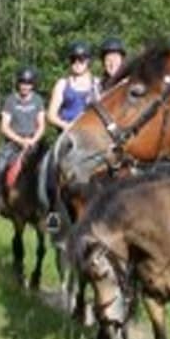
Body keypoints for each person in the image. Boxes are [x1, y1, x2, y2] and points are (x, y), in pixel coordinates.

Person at [40, 42, 100, 223]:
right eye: (74, 59)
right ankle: (52, 212)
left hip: (91, 136)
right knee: (52, 163)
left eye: (81, 59)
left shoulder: (96, 84)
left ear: (88, 61)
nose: (77, 63)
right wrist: (68, 126)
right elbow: (50, 114)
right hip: (67, 134)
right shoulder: (63, 84)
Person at [0, 66, 45, 211]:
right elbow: (4, 127)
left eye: (28, 83)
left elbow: (41, 125)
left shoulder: (38, 100)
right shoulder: (10, 100)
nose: (25, 86)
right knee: (0, 165)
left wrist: (33, 140)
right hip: (14, 143)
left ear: (32, 84)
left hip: (34, 142)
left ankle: (51, 204)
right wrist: (20, 141)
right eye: (22, 83)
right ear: (18, 84)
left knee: (49, 166)